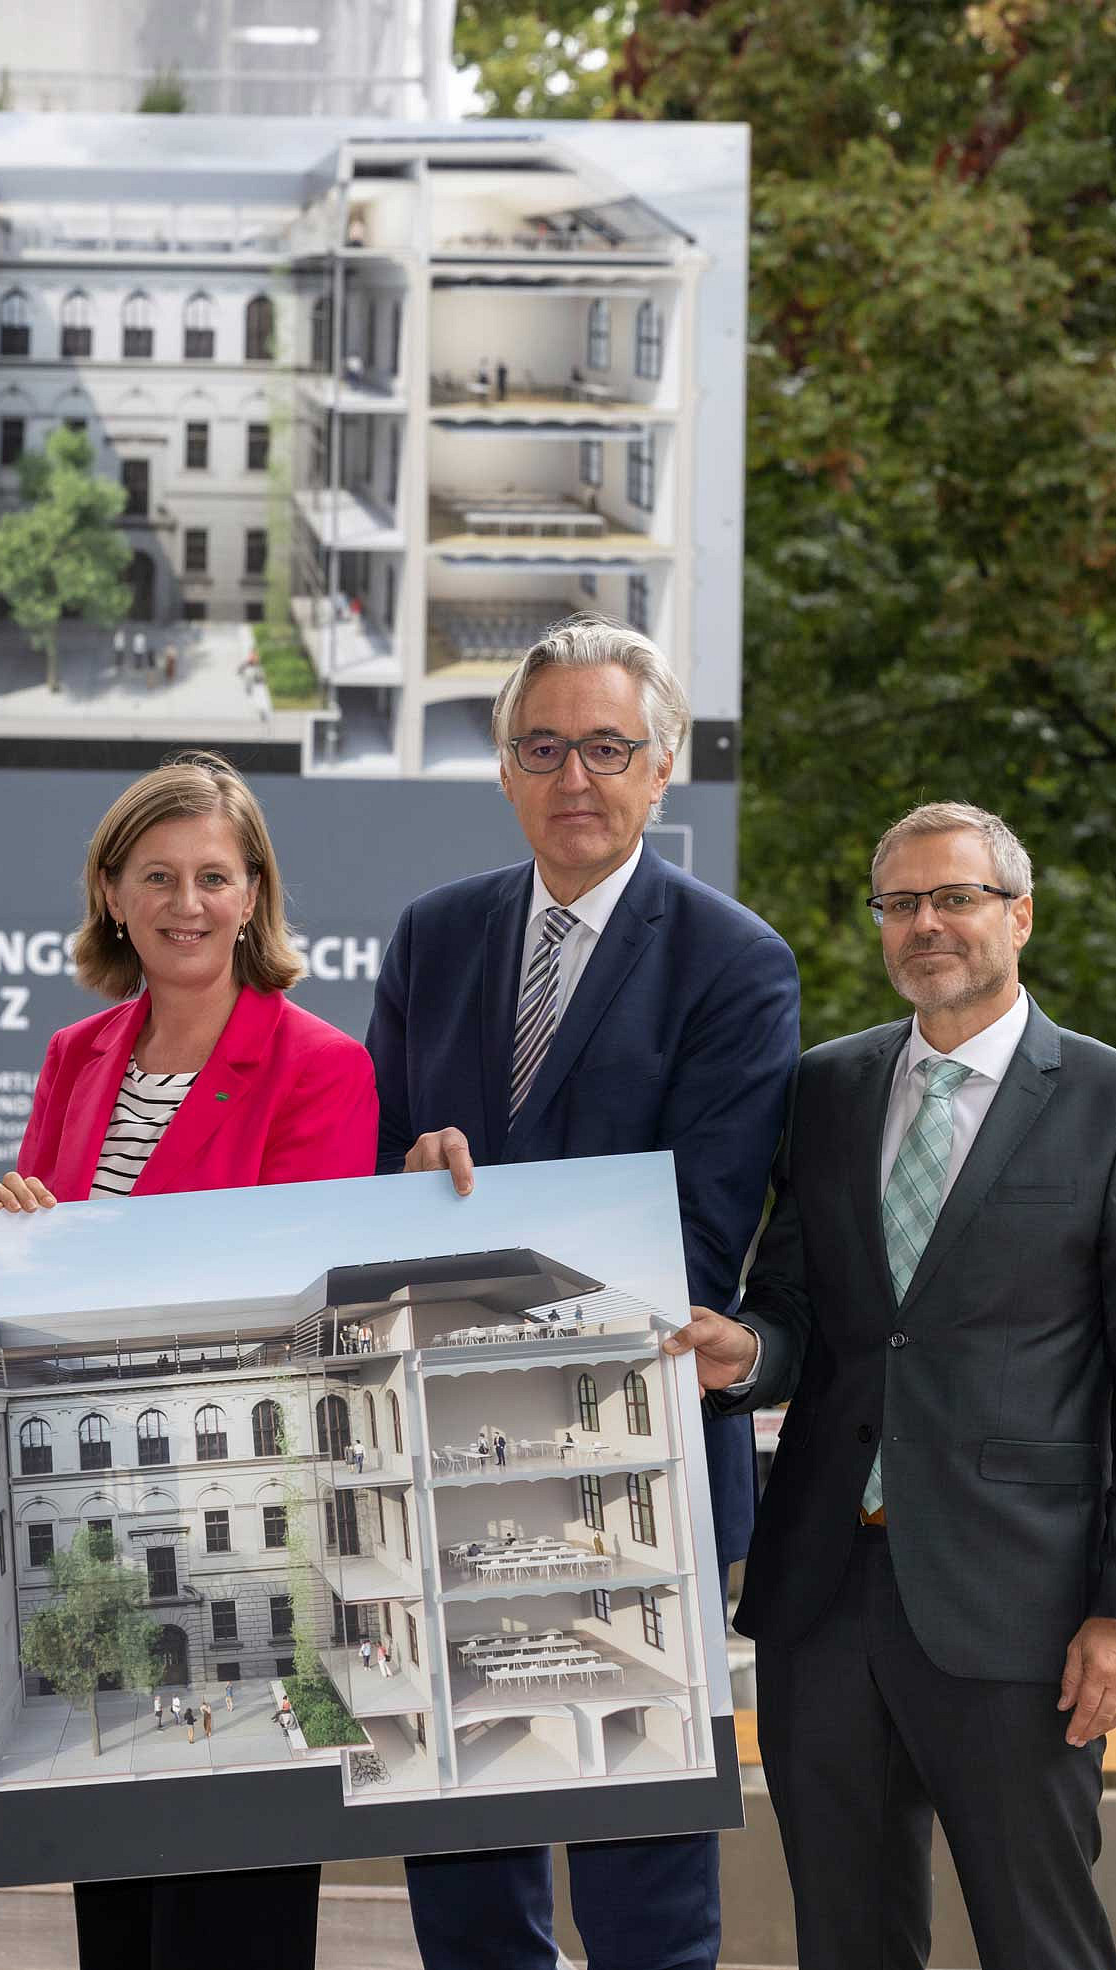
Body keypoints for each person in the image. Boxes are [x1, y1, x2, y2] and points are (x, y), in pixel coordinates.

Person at [666, 802, 1116, 1970]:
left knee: (1040, 1937)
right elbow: (804, 1309)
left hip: (1023, 1610)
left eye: (954, 896)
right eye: (900, 902)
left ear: (1019, 913)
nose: (926, 924)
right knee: (847, 1939)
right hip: (824, 1596)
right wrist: (751, 1353)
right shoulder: (827, 1088)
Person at [365, 616, 799, 1970]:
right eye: (540, 746)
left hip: (631, 1461)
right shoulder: (431, 937)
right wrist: (401, 1172)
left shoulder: (732, 964)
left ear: (659, 766)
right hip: (432, 1467)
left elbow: (695, 1227)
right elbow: (366, 1176)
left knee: (638, 1891)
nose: (573, 775)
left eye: (604, 746)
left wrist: (475, 1222)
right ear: (502, 769)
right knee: (465, 1871)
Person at [0, 750, 375, 1970]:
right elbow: (37, 1293)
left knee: (234, 1922)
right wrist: (11, 1232)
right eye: (157, 874)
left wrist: (90, 1271)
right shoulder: (74, 1056)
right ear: (111, 890)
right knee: (120, 1918)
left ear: (254, 893)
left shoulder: (321, 1064)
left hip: (249, 1522)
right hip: (86, 1525)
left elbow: (292, 1305)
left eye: (214, 874)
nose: (186, 902)